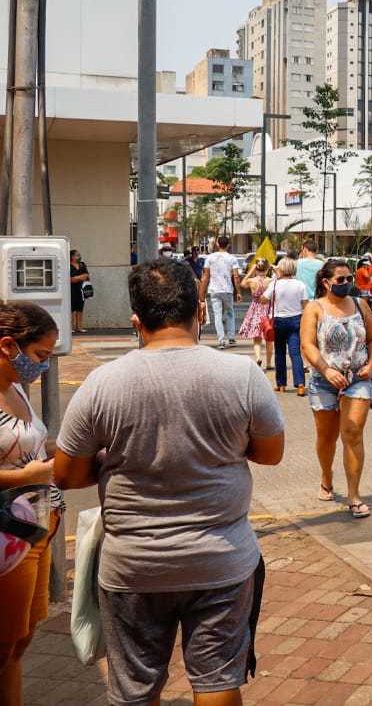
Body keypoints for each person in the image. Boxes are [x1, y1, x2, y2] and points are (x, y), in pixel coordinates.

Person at [53, 258, 285, 706]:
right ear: (199, 311)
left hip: (134, 564)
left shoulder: (103, 383)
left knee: (136, 689)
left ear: (135, 321)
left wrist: (111, 460)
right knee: (218, 680)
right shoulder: (242, 375)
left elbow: (66, 473)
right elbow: (270, 454)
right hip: (221, 559)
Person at [0, 302, 61, 706]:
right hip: (7, 539)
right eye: (39, 355)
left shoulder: (16, 386)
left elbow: (30, 448)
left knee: (19, 643)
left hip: (38, 529)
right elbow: (23, 467)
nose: (43, 366)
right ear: (8, 345)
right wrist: (24, 477)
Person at [301, 259, 372, 518]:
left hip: (358, 377)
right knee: (327, 438)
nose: (347, 284)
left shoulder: (360, 304)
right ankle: (326, 476)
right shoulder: (315, 308)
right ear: (326, 282)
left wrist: (369, 364)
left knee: (353, 432)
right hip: (324, 380)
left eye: (349, 279)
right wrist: (326, 370)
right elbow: (308, 345)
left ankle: (354, 496)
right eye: (341, 280)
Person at [264, 257, 308, 395]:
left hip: (279, 320)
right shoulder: (300, 284)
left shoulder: (275, 284)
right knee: (295, 353)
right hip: (296, 319)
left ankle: (281, 384)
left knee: (280, 353)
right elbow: (305, 304)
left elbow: (264, 299)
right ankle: (300, 384)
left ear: (281, 269)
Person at [199, 236, 242, 350]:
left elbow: (205, 277)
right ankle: (231, 337)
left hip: (214, 290)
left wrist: (202, 295)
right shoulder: (232, 259)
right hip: (227, 290)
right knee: (230, 313)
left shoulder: (210, 258)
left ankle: (221, 340)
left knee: (217, 315)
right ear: (228, 245)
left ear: (217, 244)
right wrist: (238, 292)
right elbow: (236, 276)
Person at [237, 259, 275, 370]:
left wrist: (251, 270)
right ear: (266, 269)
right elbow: (280, 280)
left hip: (255, 309)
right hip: (268, 310)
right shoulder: (270, 281)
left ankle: (258, 357)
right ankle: (268, 363)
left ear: (256, 269)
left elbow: (242, 283)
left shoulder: (252, 281)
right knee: (269, 338)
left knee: (256, 338)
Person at [69, 249, 91, 334]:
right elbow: (70, 279)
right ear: (72, 256)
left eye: (79, 255)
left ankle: (79, 327)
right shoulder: (68, 266)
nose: (78, 256)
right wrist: (81, 277)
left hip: (81, 289)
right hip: (71, 289)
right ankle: (71, 327)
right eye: (76, 255)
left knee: (80, 308)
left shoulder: (82, 264)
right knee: (71, 309)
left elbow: (87, 276)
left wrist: (77, 278)